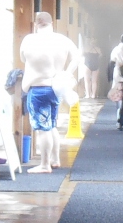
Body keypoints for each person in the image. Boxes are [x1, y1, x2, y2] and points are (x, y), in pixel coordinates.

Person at [19, 11, 82, 173]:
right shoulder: (62, 40)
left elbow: (23, 58)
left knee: (43, 129)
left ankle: (45, 164)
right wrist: (66, 73)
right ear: (51, 23)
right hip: (56, 88)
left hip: (38, 88)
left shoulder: (29, 40)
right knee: (52, 125)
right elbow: (77, 57)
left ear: (36, 24)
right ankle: (55, 159)